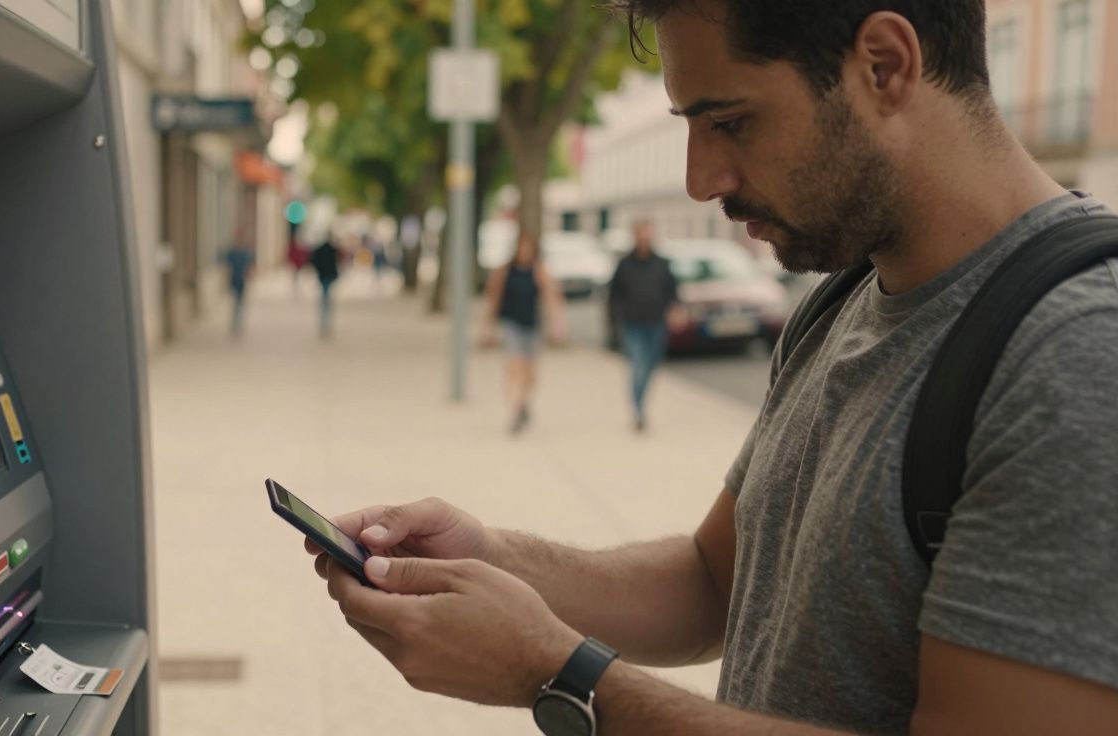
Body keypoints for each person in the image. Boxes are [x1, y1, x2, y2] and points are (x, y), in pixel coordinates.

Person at [304, 2, 1118, 734]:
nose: (701, 181)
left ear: (885, 66)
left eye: (730, 121)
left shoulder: (1076, 355)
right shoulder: (844, 296)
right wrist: (491, 559)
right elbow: (716, 582)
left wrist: (557, 676)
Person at [481, 232, 567, 434]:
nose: (525, 252)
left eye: (528, 249)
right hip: (511, 324)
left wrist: (557, 326)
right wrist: (487, 327)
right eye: (522, 248)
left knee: (531, 374)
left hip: (533, 326)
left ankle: (523, 403)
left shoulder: (539, 271)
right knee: (514, 369)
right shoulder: (505, 271)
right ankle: (515, 411)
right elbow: (493, 298)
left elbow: (551, 297)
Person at [608, 219, 684, 431]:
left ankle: (640, 403)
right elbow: (614, 296)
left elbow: (672, 290)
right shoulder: (624, 265)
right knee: (638, 366)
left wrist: (676, 309)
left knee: (651, 365)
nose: (644, 240)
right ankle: (639, 410)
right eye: (640, 235)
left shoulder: (661, 264)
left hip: (656, 323)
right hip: (632, 324)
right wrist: (615, 322)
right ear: (635, 237)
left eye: (647, 236)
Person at [220, 240, 254, 337]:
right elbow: (227, 267)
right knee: (236, 303)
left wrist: (249, 275)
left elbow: (248, 267)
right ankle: (235, 323)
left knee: (239, 303)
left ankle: (238, 323)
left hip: (241, 282)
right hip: (234, 281)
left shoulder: (244, 254)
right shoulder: (232, 254)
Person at [308, 236, 340, 338]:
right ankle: (325, 322)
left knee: (325, 296)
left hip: (322, 276)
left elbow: (313, 261)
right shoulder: (332, 250)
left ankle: (324, 322)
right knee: (326, 298)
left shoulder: (319, 250)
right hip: (328, 276)